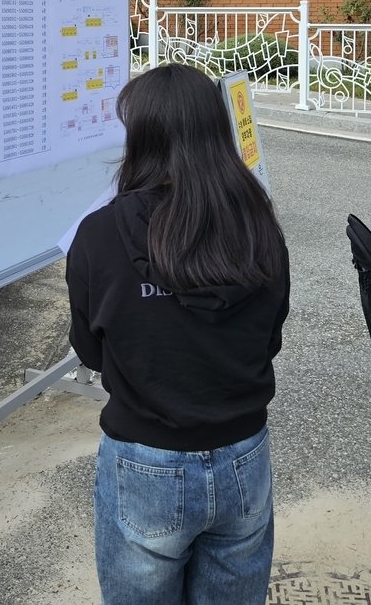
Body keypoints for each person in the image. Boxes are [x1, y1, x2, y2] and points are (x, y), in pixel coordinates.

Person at [66, 63, 290, 605]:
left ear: (142, 136)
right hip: (242, 452)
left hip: (145, 458)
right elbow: (270, 335)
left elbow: (90, 349)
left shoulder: (99, 233)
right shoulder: (258, 221)